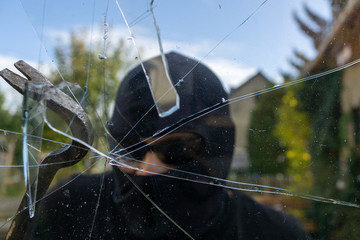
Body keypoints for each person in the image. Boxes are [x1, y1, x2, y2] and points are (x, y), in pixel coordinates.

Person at [27, 52, 311, 239]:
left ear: (218, 150)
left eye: (177, 150)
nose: (148, 170)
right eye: (130, 149)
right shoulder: (69, 206)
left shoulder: (275, 234)